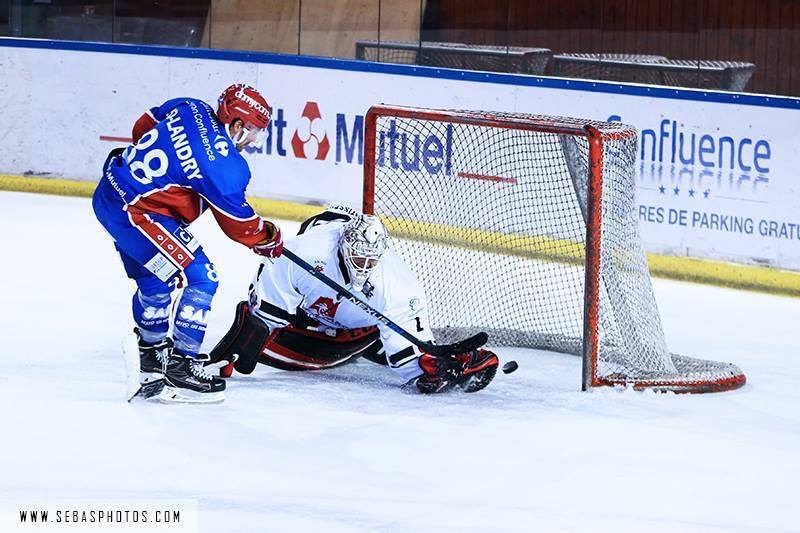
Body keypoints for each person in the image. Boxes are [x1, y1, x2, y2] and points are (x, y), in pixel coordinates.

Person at [92, 84, 283, 403]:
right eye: (253, 132)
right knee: (202, 277)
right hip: (138, 215)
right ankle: (183, 367)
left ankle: (150, 356)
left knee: (156, 284)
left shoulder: (189, 107)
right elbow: (240, 227)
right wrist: (268, 237)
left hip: (110, 194)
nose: (253, 141)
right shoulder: (225, 166)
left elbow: (142, 126)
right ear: (236, 125)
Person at [208, 206, 499, 394]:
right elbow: (265, 314)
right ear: (344, 245)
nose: (364, 265)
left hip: (359, 329)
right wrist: (246, 344)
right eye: (358, 256)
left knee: (390, 345)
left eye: (371, 260)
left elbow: (409, 360)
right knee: (263, 334)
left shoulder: (398, 285)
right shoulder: (305, 252)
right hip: (308, 312)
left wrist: (431, 371)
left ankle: (370, 343)